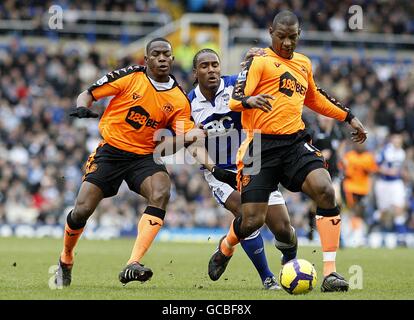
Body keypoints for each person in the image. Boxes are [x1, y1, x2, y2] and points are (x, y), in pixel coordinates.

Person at [208, 10, 368, 292]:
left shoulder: (304, 64)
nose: (287, 43)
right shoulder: (259, 60)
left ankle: (330, 272)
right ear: (271, 31)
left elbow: (316, 98)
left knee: (325, 189)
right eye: (281, 36)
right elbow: (235, 99)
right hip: (259, 146)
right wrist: (250, 99)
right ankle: (226, 245)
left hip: (294, 142)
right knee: (252, 220)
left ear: (299, 35)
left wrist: (349, 117)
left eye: (292, 37)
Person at [54, 38, 205, 287]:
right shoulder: (129, 77)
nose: (162, 58)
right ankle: (66, 257)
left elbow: (183, 136)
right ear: (146, 60)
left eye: (166, 54)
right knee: (82, 210)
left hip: (144, 156)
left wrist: (194, 137)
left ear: (173, 59)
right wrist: (82, 107)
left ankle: (133, 263)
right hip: (111, 151)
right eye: (156, 54)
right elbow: (88, 94)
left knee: (162, 191)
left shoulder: (178, 99)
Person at [188, 48, 298, 290]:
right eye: (204, 66)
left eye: (215, 64)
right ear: (195, 72)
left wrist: (259, 59)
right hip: (221, 173)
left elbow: (262, 75)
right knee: (249, 217)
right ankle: (268, 279)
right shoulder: (188, 102)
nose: (211, 70)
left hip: (254, 163)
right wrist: (214, 169)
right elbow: (191, 143)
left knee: (284, 229)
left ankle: (289, 266)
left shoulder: (235, 85)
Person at [373, 133, 407, 234]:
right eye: (395, 139)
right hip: (384, 183)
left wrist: (403, 174)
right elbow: (376, 167)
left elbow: (400, 168)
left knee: (399, 207)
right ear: (392, 140)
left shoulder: (402, 152)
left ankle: (401, 235)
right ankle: (372, 227)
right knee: (384, 211)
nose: (397, 141)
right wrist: (388, 171)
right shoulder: (385, 151)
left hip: (396, 183)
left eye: (399, 139)